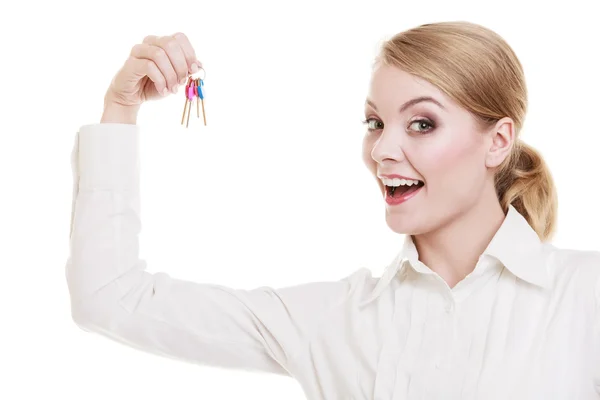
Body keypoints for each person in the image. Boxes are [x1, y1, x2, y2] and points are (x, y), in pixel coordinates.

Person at [65, 22, 600, 399]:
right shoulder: (338, 320)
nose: (383, 150)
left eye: (421, 123)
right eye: (374, 123)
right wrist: (121, 109)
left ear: (498, 141)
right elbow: (111, 299)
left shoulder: (584, 297)